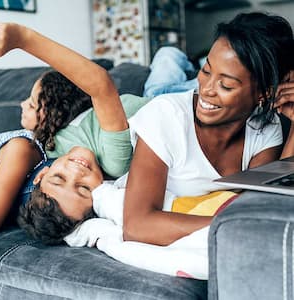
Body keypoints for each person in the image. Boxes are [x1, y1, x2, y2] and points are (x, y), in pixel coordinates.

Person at [122, 12, 294, 246]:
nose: (207, 89)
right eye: (206, 70)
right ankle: (173, 56)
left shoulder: (264, 127)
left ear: (263, 93)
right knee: (163, 73)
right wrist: (231, 225)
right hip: (145, 105)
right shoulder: (165, 117)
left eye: (226, 84)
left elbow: (268, 204)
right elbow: (137, 226)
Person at [0, 21, 150, 234]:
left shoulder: (24, 150)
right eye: (84, 188)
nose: (76, 173)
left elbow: (100, 86)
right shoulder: (108, 164)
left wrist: (23, 38)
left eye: (60, 179)